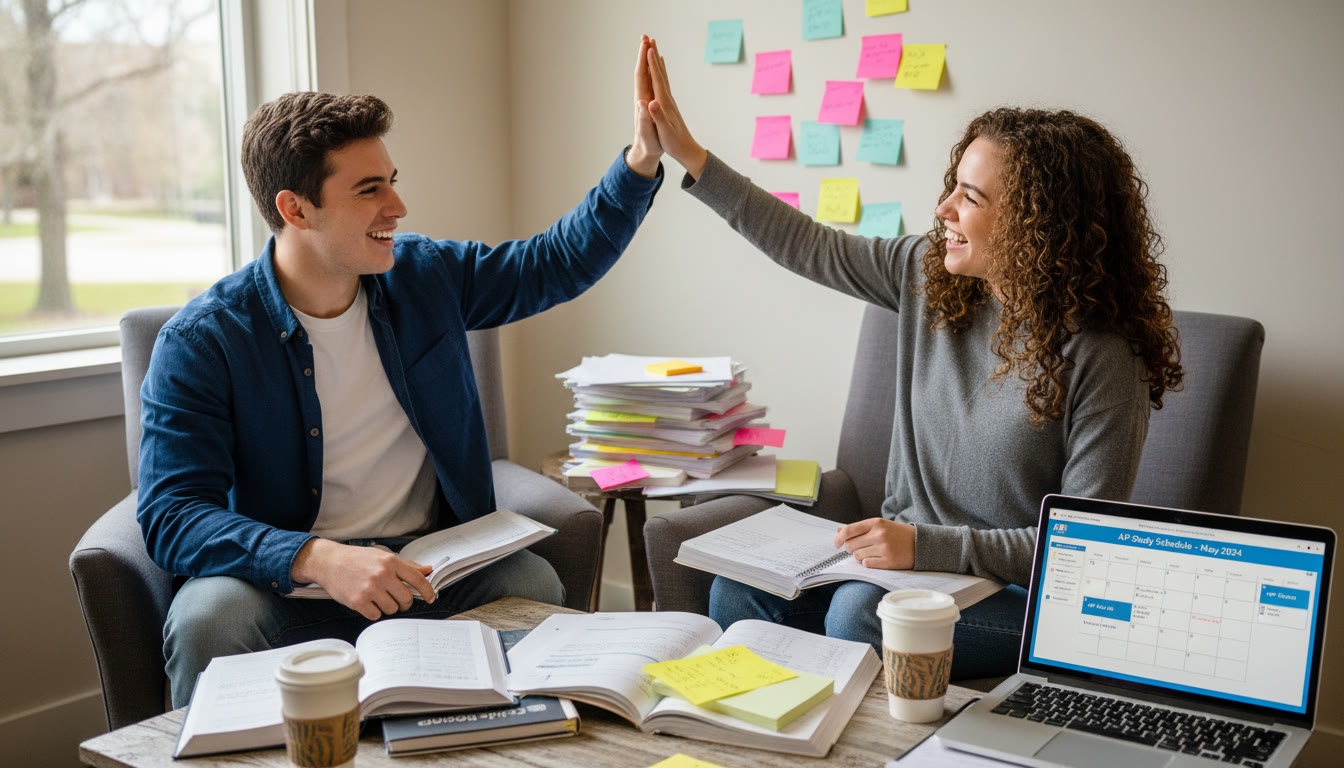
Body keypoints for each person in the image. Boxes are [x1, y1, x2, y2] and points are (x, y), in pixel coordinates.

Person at [139, 37, 666, 706]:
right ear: (295, 209)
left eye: (393, 180)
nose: (398, 206)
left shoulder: (427, 276)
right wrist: (318, 557)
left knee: (531, 583)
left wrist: (642, 161)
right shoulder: (203, 341)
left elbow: (551, 263)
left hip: (427, 566)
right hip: (280, 580)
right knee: (207, 617)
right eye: (369, 189)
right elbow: (171, 514)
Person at [639, 39, 1182, 678]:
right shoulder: (929, 277)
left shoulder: (1103, 357)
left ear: (1038, 224)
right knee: (739, 593)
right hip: (903, 569)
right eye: (954, 187)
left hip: (1019, 597)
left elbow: (1083, 551)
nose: (944, 210)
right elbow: (806, 244)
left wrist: (926, 545)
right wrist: (690, 156)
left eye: (971, 199)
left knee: (860, 616)